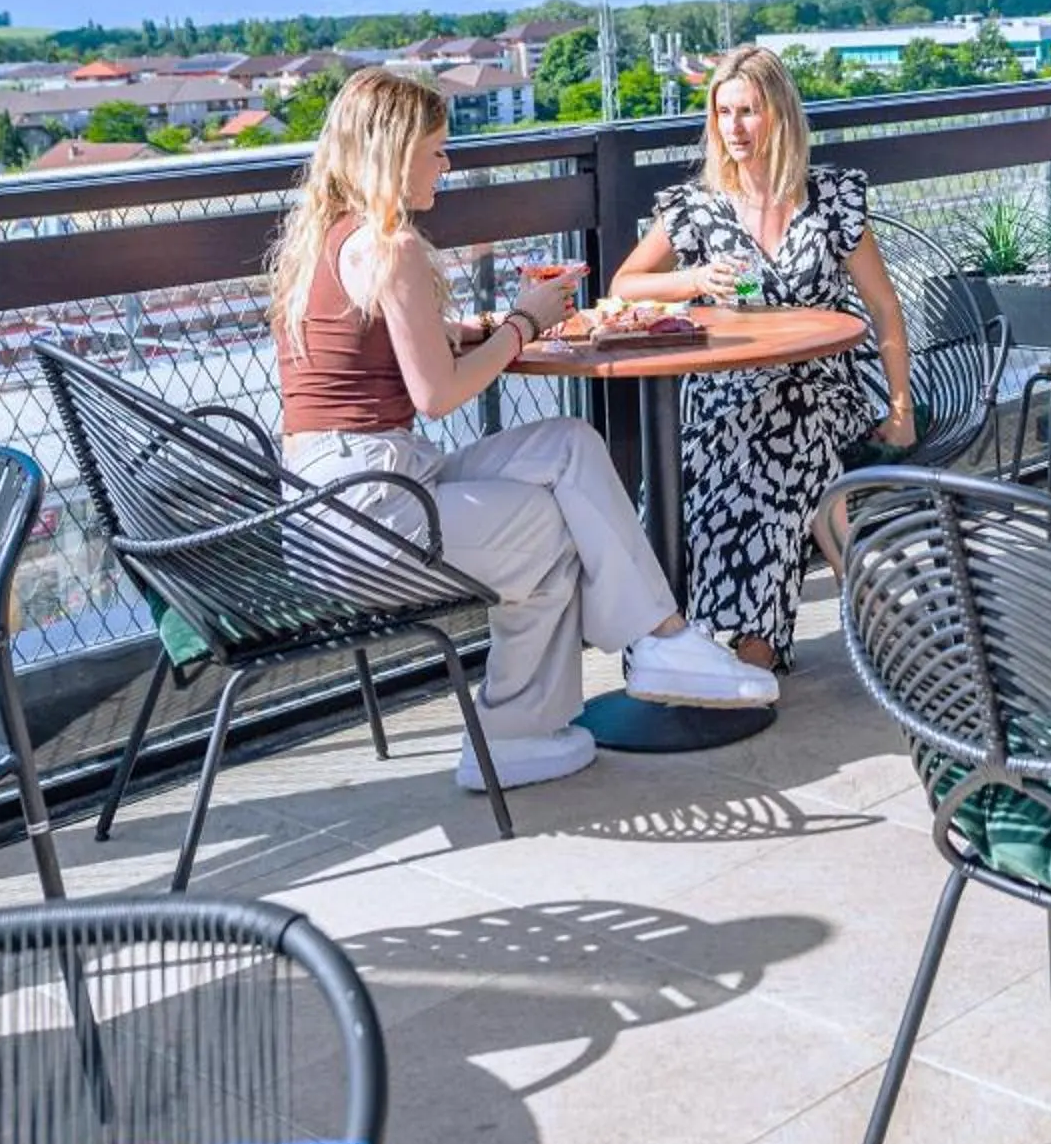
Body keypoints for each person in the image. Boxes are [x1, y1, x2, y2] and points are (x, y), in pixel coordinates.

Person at [273, 68, 775, 796]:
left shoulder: (330, 238)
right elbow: (437, 395)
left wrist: (482, 326)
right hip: (369, 508)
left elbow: (392, 343)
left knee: (568, 445)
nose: (446, 166)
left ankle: (660, 641)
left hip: (338, 496)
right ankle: (514, 734)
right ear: (395, 152)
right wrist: (522, 324)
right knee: (551, 526)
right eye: (436, 151)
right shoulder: (391, 247)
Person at [608, 44, 914, 674]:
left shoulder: (831, 199)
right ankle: (829, 604)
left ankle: (747, 643)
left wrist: (900, 406)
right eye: (723, 113)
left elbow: (884, 308)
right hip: (726, 388)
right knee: (746, 454)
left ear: (780, 114)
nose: (734, 128)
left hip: (823, 384)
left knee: (786, 421)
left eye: (747, 111)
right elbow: (624, 286)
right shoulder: (697, 207)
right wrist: (694, 279)